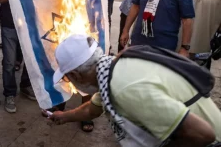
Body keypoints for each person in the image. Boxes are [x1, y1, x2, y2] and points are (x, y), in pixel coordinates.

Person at [49, 34, 221, 146]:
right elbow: (91, 109)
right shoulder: (111, 71)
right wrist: (64, 117)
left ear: (76, 75)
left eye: (67, 78)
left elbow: (202, 134)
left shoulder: (124, 87)